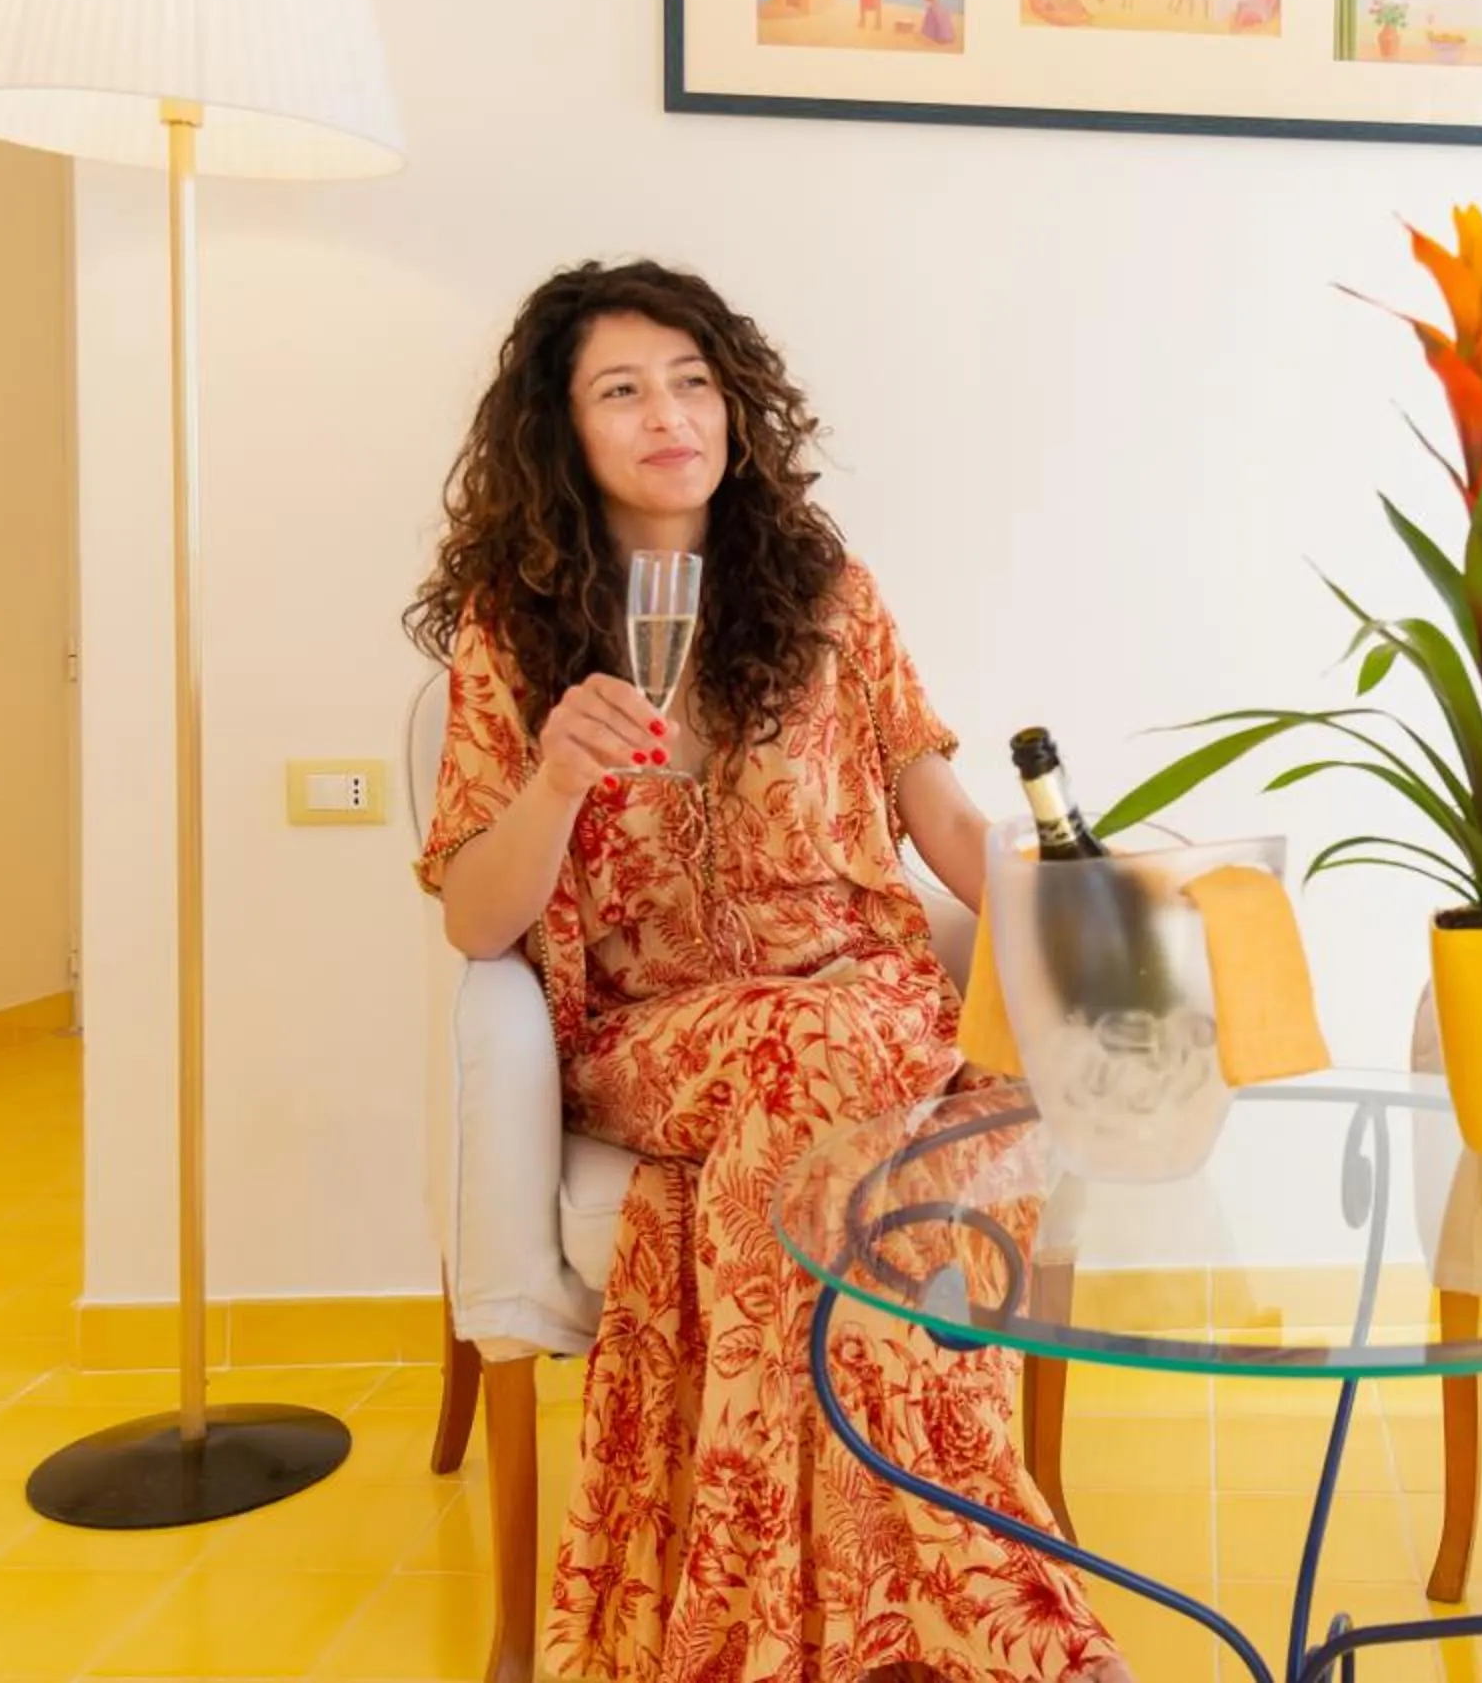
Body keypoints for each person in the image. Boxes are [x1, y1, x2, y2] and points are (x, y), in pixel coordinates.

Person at [406, 260, 1128, 1683]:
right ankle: (988, 1608)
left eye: (693, 382)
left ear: (736, 406)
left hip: (867, 1000)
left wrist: (1076, 931)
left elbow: (945, 821)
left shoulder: (830, 598)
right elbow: (478, 925)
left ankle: (776, 1628)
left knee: (814, 1119)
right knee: (818, 1072)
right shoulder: (513, 627)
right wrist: (553, 779)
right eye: (622, 391)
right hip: (659, 1032)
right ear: (563, 430)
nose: (668, 415)